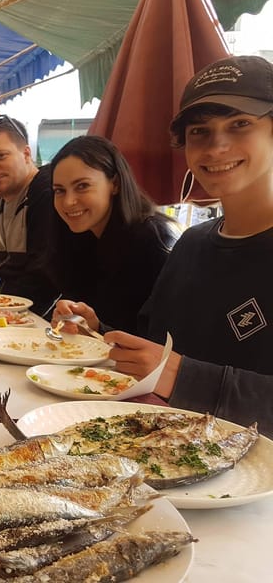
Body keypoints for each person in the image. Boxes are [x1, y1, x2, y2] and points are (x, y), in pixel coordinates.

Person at [63, 56, 273, 435]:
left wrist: (183, 376)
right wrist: (99, 330)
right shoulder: (192, 245)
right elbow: (159, 347)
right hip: (162, 454)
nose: (216, 146)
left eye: (240, 124)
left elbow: (173, 369)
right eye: (199, 132)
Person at [49, 136, 179, 334]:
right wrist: (74, 318)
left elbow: (162, 337)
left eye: (82, 186)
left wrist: (97, 329)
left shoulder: (153, 238)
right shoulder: (79, 238)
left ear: (115, 184)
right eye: (59, 190)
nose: (68, 202)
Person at [0, 114, 58, 316]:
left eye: (1, 156)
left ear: (26, 154)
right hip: (14, 318)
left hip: (45, 325)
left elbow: (43, 279)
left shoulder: (47, 194)